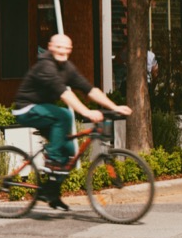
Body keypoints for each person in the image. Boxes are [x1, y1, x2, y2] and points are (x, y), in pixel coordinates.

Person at [13, 33, 131, 211]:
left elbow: (89, 89)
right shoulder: (46, 66)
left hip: (44, 110)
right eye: (59, 47)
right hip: (26, 108)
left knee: (69, 151)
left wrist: (114, 107)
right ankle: (51, 160)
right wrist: (87, 112)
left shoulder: (67, 67)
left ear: (70, 50)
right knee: (64, 116)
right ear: (51, 47)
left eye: (67, 48)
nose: (63, 51)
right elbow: (66, 95)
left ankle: (52, 194)